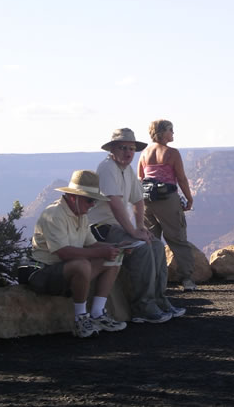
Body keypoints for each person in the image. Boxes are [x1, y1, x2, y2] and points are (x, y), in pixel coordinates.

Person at [87, 128, 185, 324]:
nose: (128, 152)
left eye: (131, 148)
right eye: (123, 148)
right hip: (101, 229)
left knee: (156, 245)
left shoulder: (126, 170)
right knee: (141, 248)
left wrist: (140, 227)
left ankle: (158, 300)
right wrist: (132, 232)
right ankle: (142, 307)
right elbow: (114, 203)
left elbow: (138, 199)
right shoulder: (107, 168)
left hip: (118, 227)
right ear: (112, 149)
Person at [28, 170, 128, 338]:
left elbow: (93, 244)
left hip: (67, 271)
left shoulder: (81, 215)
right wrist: (100, 252)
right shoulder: (54, 215)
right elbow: (64, 253)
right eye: (90, 200)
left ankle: (97, 314)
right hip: (45, 273)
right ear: (74, 197)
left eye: (94, 201)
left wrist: (117, 247)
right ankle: (80, 318)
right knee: (82, 264)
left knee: (114, 256)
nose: (92, 205)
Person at [138, 119, 198, 292]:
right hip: (167, 199)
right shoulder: (172, 153)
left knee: (151, 240)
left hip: (147, 199)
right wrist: (189, 198)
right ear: (163, 132)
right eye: (171, 130)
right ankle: (186, 279)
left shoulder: (144, 153)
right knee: (177, 238)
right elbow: (181, 178)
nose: (173, 133)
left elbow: (140, 178)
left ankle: (154, 281)